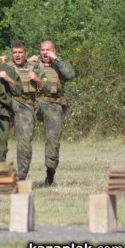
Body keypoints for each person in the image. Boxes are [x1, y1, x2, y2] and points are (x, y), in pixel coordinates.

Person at [29, 40, 76, 186]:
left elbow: (70, 74)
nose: (45, 52)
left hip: (54, 104)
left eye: (48, 50)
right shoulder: (35, 64)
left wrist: (56, 59)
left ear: (54, 50)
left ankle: (50, 177)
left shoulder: (59, 65)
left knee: (53, 141)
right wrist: (28, 62)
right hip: (37, 102)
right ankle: (21, 175)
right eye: (43, 50)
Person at [4, 41, 48, 181]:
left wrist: (37, 80)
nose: (17, 55)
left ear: (25, 53)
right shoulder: (7, 67)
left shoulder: (34, 67)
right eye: (15, 52)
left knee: (25, 142)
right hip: (10, 102)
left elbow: (47, 86)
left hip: (26, 105)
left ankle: (22, 176)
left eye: (20, 52)